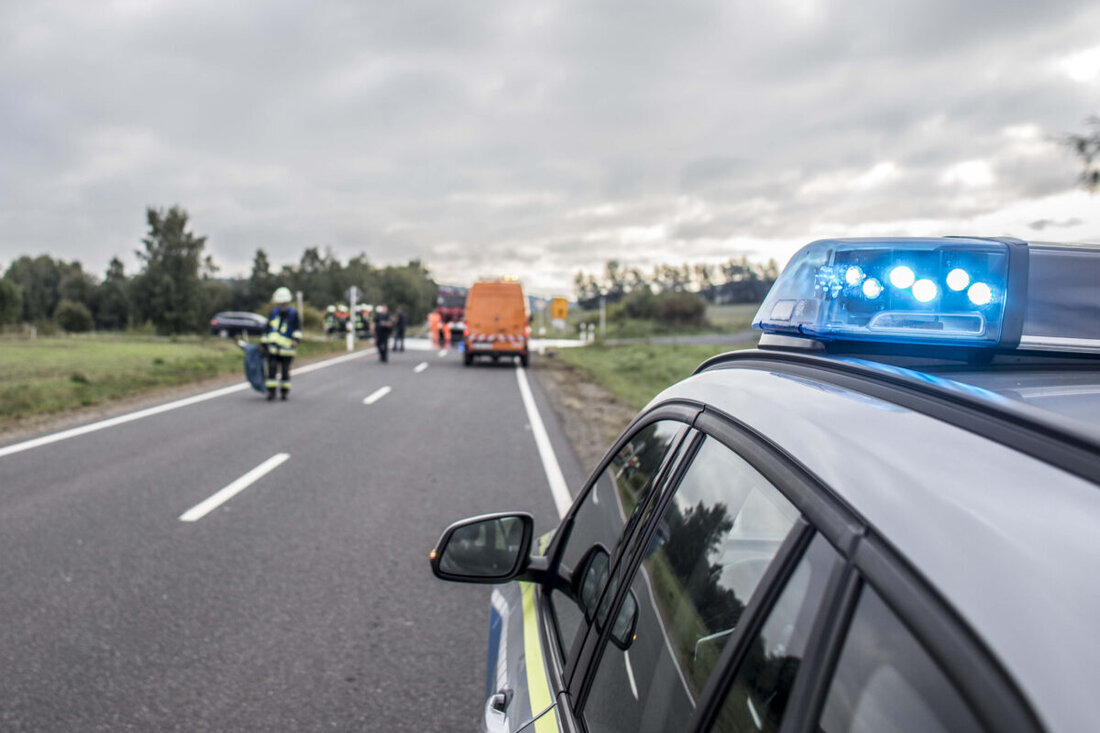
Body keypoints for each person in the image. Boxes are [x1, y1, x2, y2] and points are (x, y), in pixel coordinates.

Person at [260, 287, 302, 400]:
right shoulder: (273, 313)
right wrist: (263, 344)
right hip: (273, 348)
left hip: (287, 349)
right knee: (272, 370)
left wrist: (296, 340)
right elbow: (267, 329)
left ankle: (284, 392)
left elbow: (297, 330)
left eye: (284, 303)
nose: (282, 305)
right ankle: (271, 391)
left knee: (285, 371)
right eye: (280, 303)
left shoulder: (293, 314)